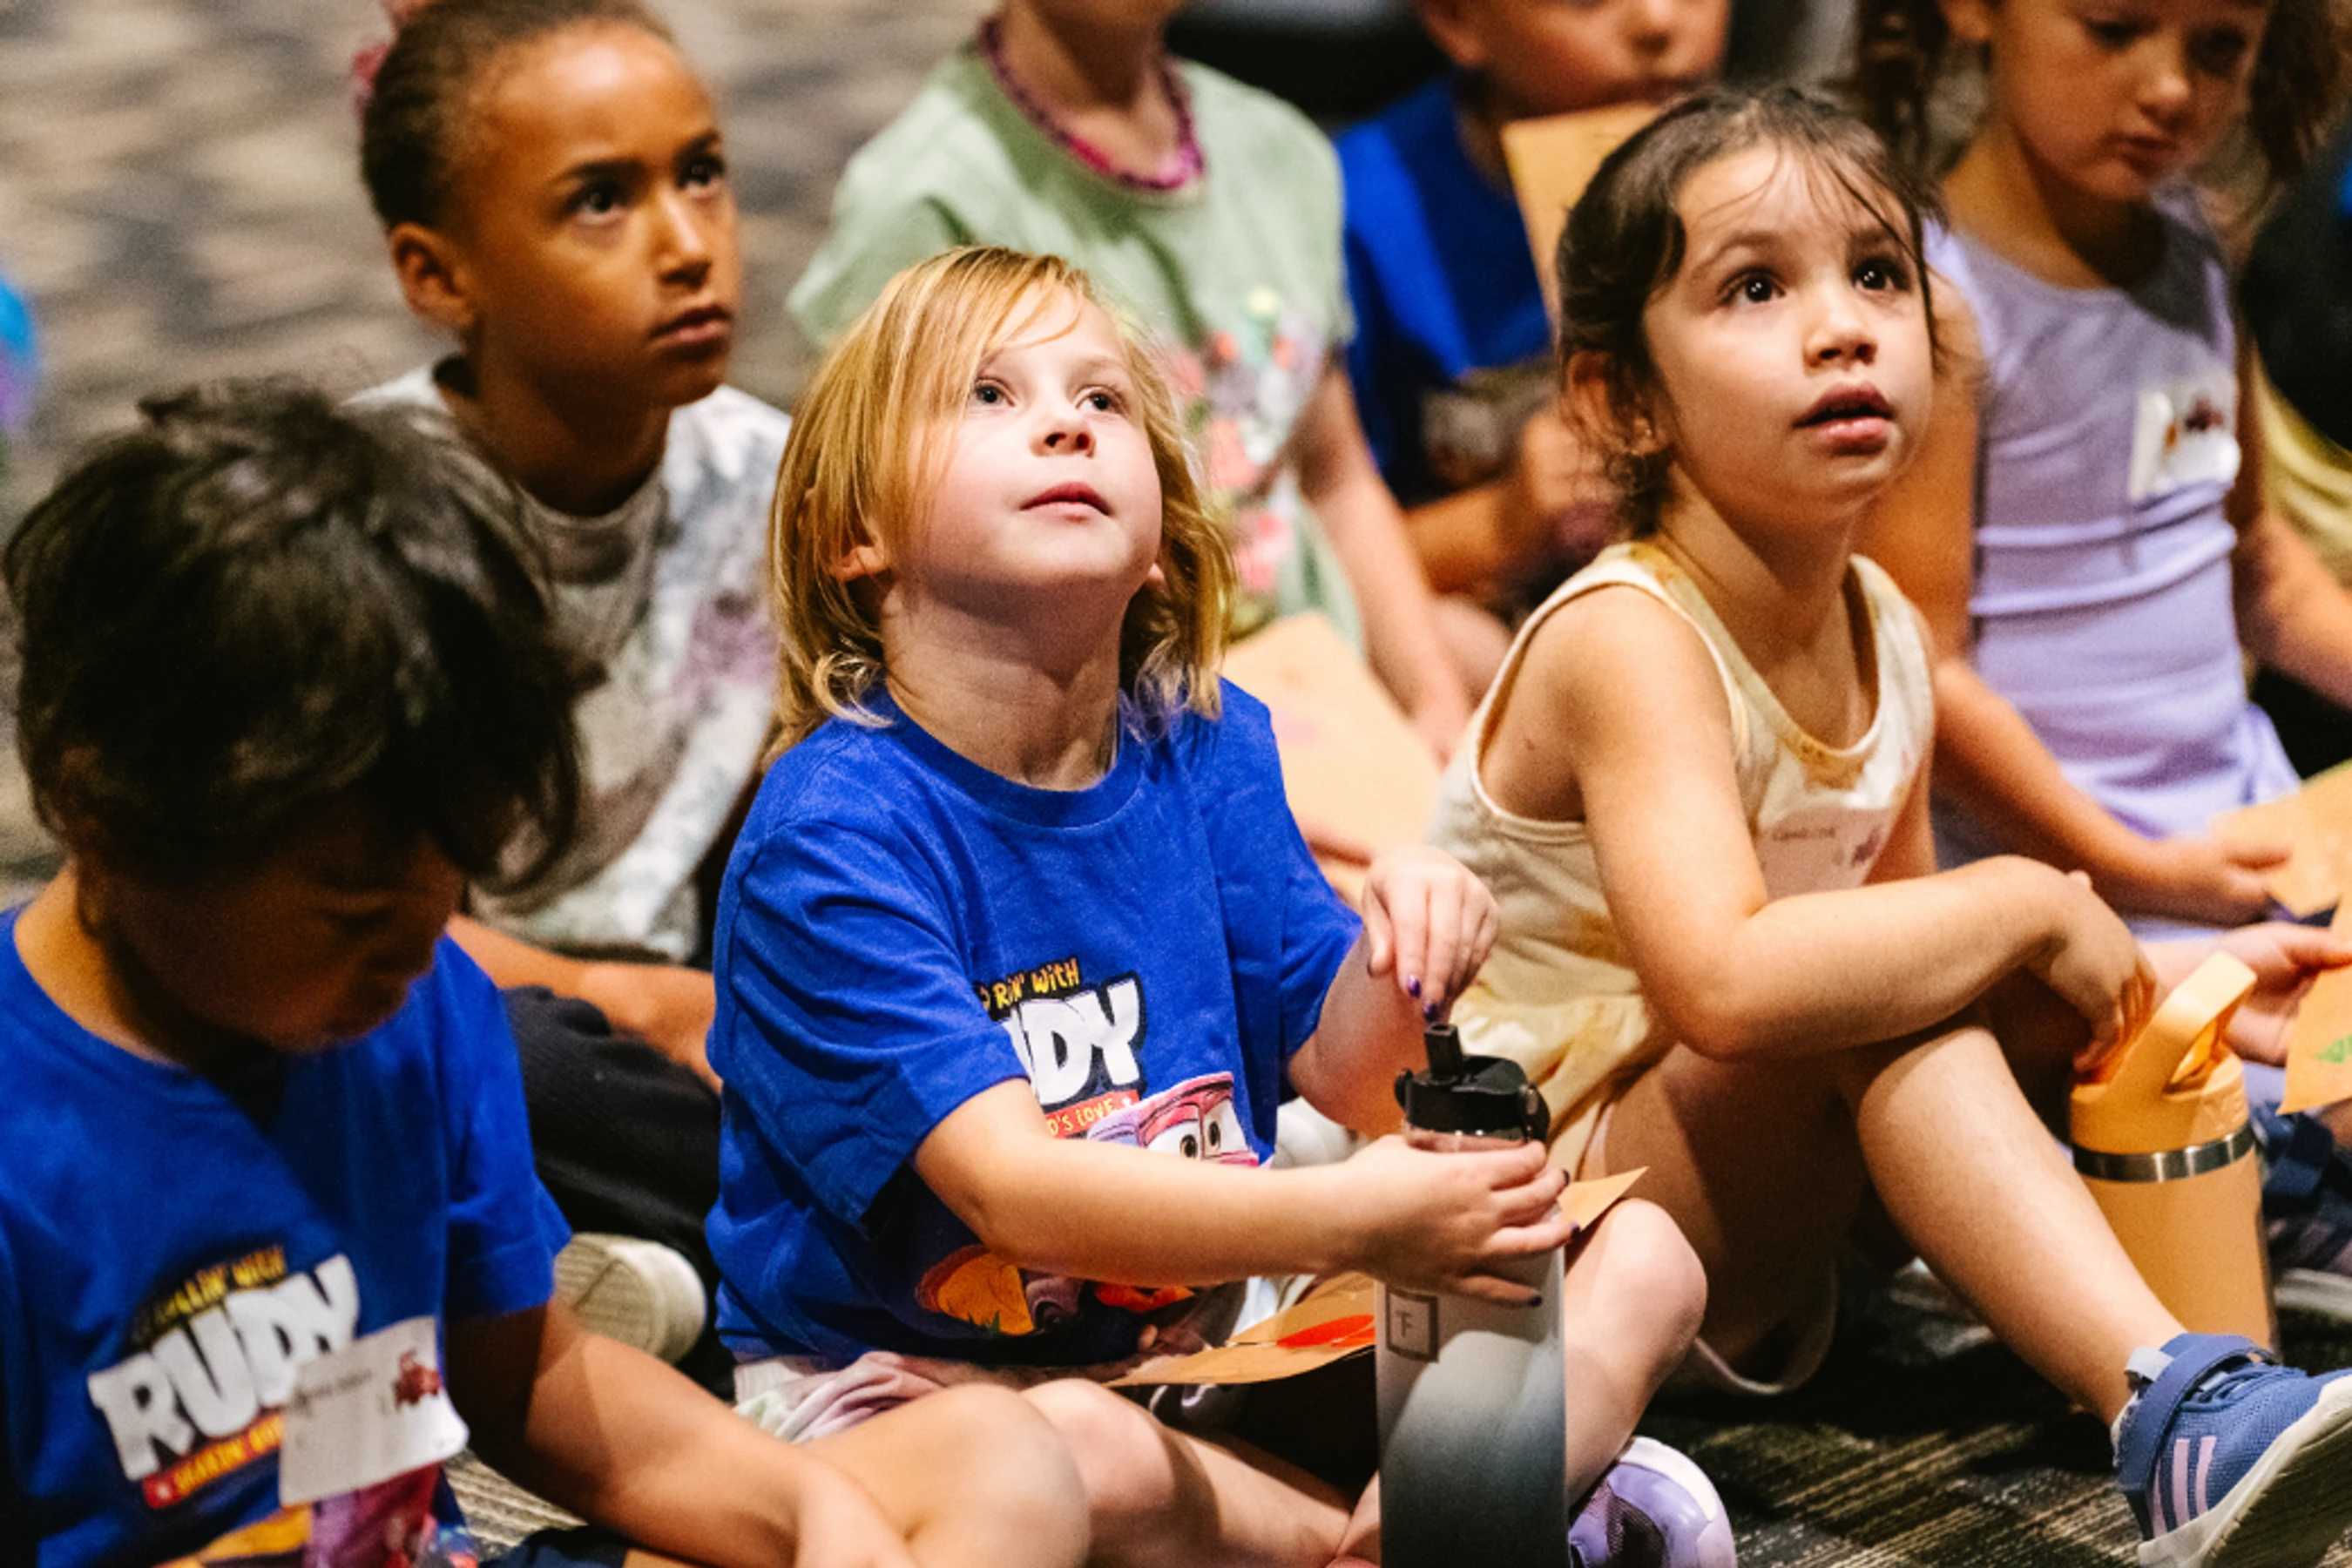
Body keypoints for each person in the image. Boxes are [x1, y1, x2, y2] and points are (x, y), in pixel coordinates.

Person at [1428, 87, 2352, 1565]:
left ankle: (2236, 1226)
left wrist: (2178, 1001)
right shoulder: (1629, 635)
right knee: (1860, 989)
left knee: (1965, 981)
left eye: (1877, 275)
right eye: (1754, 287)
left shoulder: (1884, 634)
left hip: (1765, 1215)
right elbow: (1725, 985)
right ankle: (2166, 1409)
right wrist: (2041, 901)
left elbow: (1922, 951)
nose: (1843, 327)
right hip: (1564, 1237)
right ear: (1621, 403)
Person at [711, 245, 1733, 1566]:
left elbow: (1353, 1079)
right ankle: (1460, 1516)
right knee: (1078, 1448)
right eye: (986, 397)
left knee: (1644, 1255)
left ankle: (1420, 1525)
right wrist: (1366, 1217)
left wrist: (1405, 940)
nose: (1066, 421)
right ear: (854, 536)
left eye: (1104, 402)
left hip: (1198, 1346)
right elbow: (1017, 1197)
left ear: (1157, 539)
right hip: (909, 1403)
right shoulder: (835, 833)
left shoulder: (1202, 744)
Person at [0, 382, 1089, 1568]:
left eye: (450, 886)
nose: (419, 951)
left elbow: (533, 1380)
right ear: (106, 801)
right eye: (354, 909)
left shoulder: (417, 1010)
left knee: (994, 1459)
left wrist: (806, 1514)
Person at [352, 0, 791, 1365]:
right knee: (505, 1067)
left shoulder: (778, 481)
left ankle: (634, 1280)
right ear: (439, 274)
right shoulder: (360, 522)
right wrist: (648, 1004)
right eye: (599, 202)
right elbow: (339, 927)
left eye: (700, 174)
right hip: (472, 1014)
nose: (684, 245)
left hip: (701, 1015)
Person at [787, 0, 1483, 760]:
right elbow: (871, 536)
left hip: (1315, 688)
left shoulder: (1280, 150)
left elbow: (1334, 480)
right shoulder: (924, 199)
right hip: (1103, 728)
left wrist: (1431, 699)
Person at [1851, 0, 2351, 938]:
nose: (2170, 90)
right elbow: (1922, 666)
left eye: (2217, 50)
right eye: (2115, 29)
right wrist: (2140, 871)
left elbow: (2255, 562)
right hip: (2059, 876)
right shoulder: (1937, 306)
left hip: (2238, 824)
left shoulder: (2198, 251)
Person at [1338, 0, 1729, 625]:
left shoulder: (1775, 176)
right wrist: (1495, 522)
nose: (1658, 20)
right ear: (1454, 21)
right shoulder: (1352, 211)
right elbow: (1308, 551)